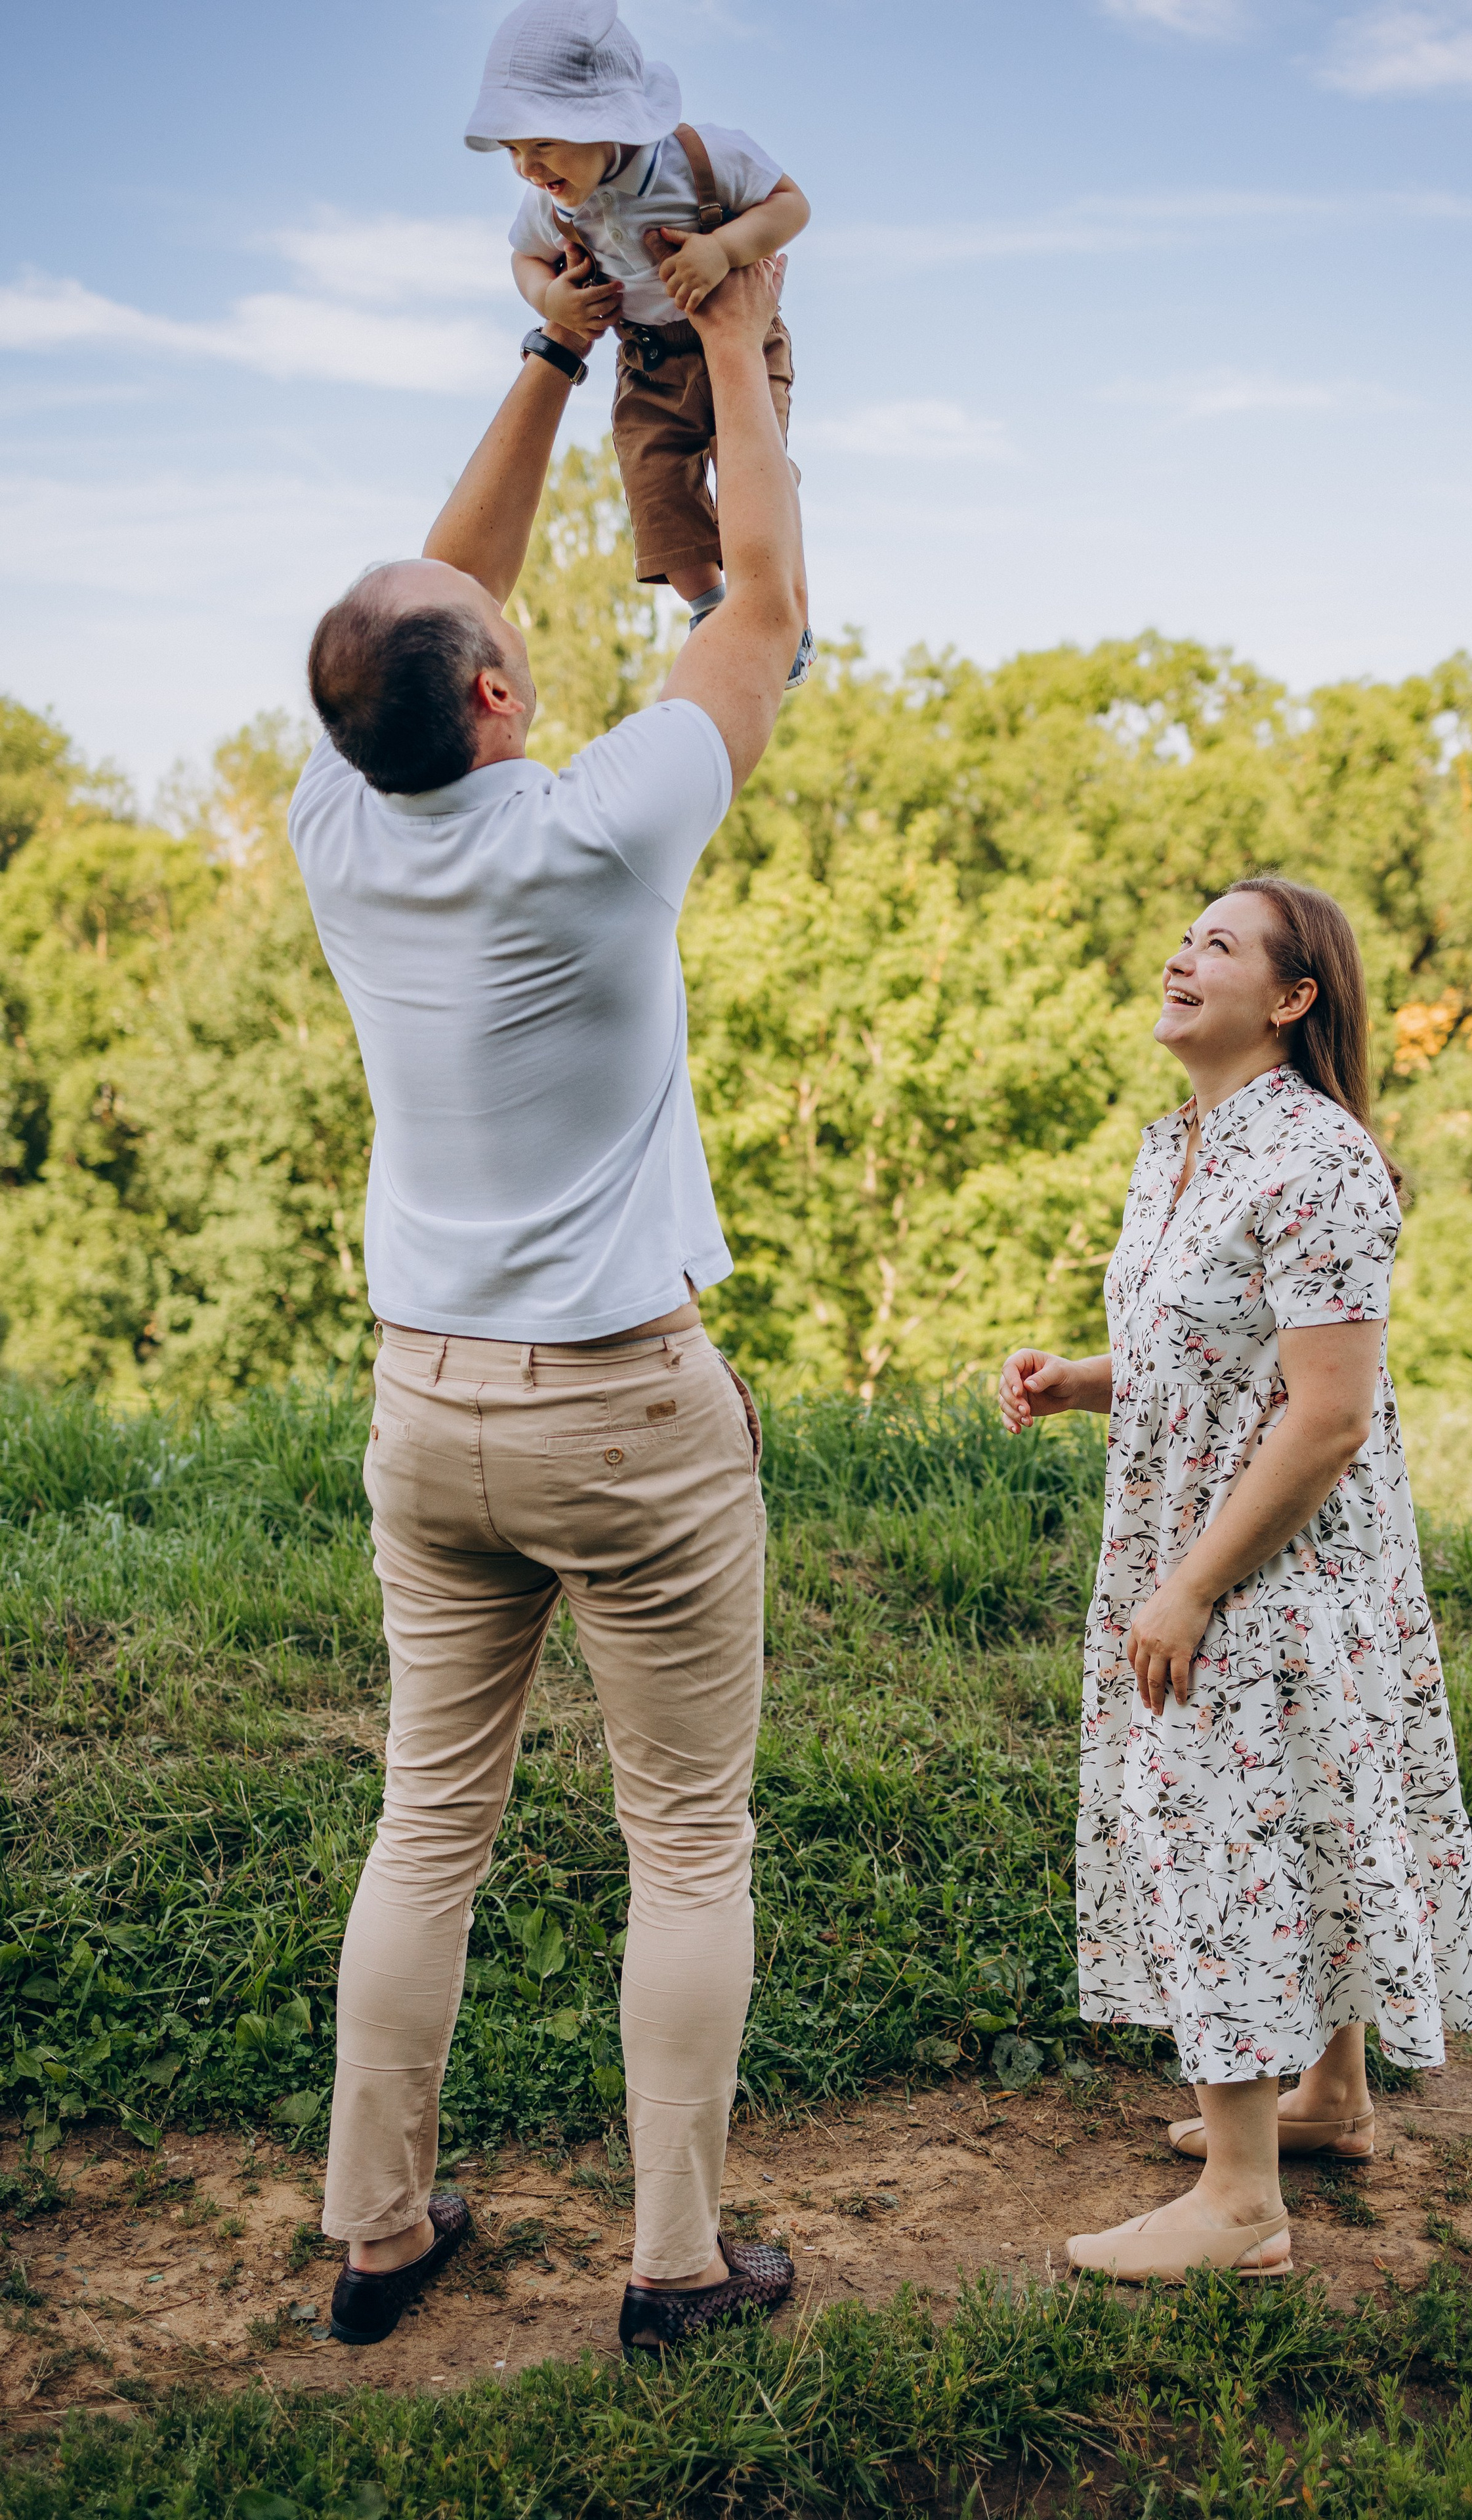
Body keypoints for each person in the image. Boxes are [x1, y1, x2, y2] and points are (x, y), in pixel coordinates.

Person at [289, 247, 805, 2355]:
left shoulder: (337, 812)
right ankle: (676, 2265)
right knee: (684, 1837)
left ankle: (377, 2232)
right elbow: (760, 608)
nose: (504, 618)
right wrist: (743, 346)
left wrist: (552, 351)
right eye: (503, 643)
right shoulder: (596, 835)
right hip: (621, 1411)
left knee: (430, 1815)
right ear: (499, 702)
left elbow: (426, 598)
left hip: (430, 1414)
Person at [998, 877, 1472, 2282]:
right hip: (1209, 1539)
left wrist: (1192, 1586)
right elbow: (1217, 1352)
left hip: (1271, 1565)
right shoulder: (1187, 1146)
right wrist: (1084, 1378)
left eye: (1216, 944)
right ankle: (1327, 2100)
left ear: (1290, 999)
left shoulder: (1314, 1161)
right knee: (1301, 1810)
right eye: (1182, 935)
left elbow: (1326, 1414)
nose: (1177, 955)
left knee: (1220, 1835)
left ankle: (1236, 2204)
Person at [463, 0, 814, 680]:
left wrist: (721, 249)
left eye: (542, 143)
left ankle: (782, 616)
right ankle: (712, 607)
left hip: (741, 337)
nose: (527, 168)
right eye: (513, 151)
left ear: (607, 121)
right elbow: (525, 260)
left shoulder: (703, 157)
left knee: (754, 474)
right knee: (654, 486)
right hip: (648, 359)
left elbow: (791, 204)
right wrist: (551, 299)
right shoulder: (551, 205)